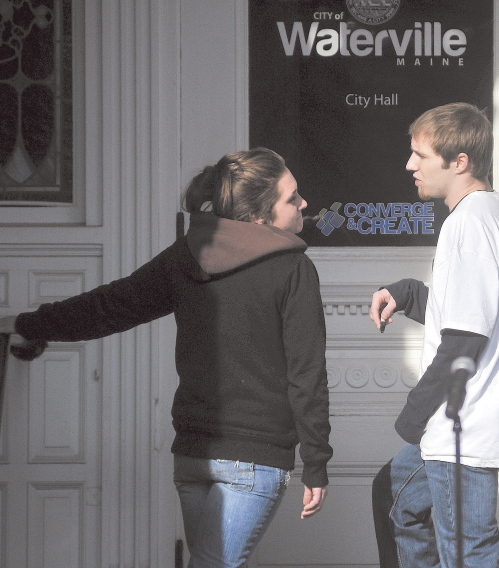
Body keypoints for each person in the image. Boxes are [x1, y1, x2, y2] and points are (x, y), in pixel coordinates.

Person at [0, 147, 333, 568]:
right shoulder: (292, 268)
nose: (304, 203)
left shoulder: (189, 254)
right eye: (292, 198)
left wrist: (33, 323)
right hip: (253, 460)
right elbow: (307, 374)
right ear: (261, 219)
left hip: (193, 456)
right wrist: (317, 462)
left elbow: (112, 305)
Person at [368, 103, 499, 568]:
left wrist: (413, 416)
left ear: (459, 162)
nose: (410, 165)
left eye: (421, 155)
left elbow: (464, 338)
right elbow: (481, 312)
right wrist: (407, 294)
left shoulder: (468, 225)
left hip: (464, 424)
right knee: (395, 495)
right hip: (482, 418)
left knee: (468, 551)